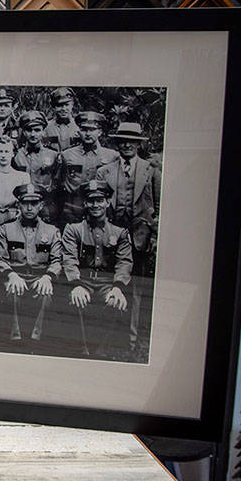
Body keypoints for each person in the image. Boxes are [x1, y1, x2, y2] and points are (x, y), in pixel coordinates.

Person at [96, 121, 159, 349]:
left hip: (140, 239)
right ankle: (109, 338)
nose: (127, 145)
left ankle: (131, 341)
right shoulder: (105, 171)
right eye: (123, 141)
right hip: (113, 238)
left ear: (138, 144)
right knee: (113, 284)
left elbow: (159, 208)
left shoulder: (150, 170)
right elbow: (99, 203)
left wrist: (152, 237)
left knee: (136, 290)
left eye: (132, 141)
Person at [62, 179, 133, 357]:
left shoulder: (119, 232)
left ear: (107, 202)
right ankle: (82, 350)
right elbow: (69, 258)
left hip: (107, 282)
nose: (95, 205)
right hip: (83, 280)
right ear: (85, 203)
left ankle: (102, 349)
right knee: (77, 300)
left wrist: (118, 288)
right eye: (91, 201)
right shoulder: (74, 230)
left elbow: (124, 262)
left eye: (100, 200)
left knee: (115, 302)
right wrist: (76, 284)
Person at [0, 183, 62, 342]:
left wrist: (48, 277)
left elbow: (57, 261)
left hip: (40, 278)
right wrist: (11, 275)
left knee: (45, 294)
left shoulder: (51, 231)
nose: (29, 208)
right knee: (13, 291)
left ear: (41, 205)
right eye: (25, 203)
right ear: (18, 204)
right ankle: (15, 338)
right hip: (15, 276)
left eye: (34, 203)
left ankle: (36, 338)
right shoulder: (5, 229)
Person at [57, 111, 118, 225]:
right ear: (79, 131)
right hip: (74, 209)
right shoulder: (67, 155)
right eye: (84, 130)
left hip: (99, 210)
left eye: (92, 130)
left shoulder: (111, 156)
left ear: (100, 132)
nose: (88, 134)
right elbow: (60, 182)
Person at [12, 110, 59, 222]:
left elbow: (57, 182)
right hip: (22, 206)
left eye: (37, 130)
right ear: (23, 132)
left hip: (45, 206)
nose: (33, 134)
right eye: (29, 130)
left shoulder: (53, 155)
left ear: (43, 131)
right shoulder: (16, 155)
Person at [43, 87, 82, 152]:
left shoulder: (79, 127)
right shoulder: (46, 128)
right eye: (59, 105)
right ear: (53, 107)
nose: (63, 109)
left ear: (72, 105)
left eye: (67, 105)